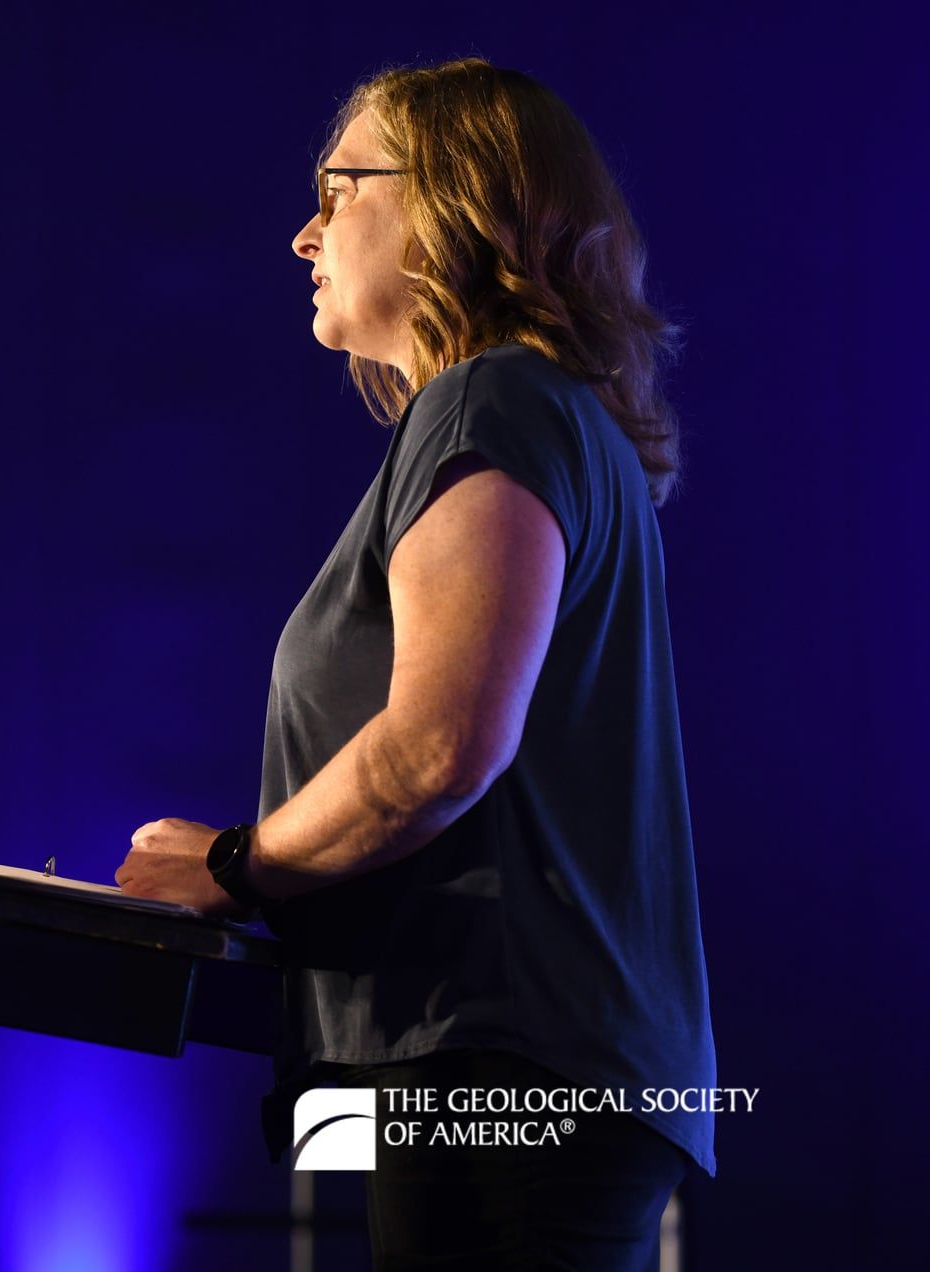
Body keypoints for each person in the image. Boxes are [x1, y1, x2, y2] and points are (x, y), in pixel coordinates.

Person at [113, 58, 717, 1270]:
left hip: (502, 1067)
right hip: (525, 1069)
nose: (305, 234)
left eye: (338, 190)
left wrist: (234, 863)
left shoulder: (492, 403)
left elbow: (440, 746)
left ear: (455, 200)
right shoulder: (536, 414)